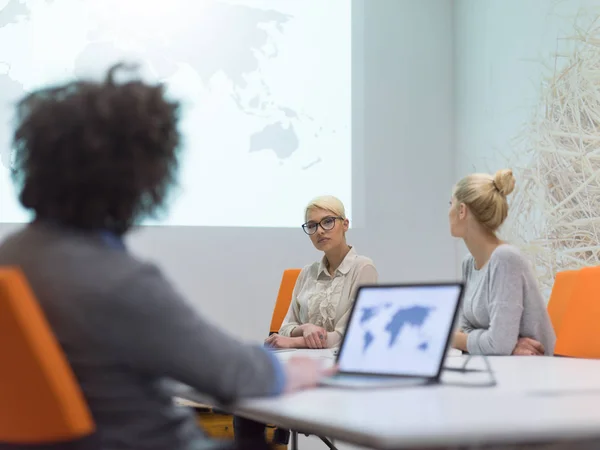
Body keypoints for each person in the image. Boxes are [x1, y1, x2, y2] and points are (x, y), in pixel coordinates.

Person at [0, 63, 333, 450]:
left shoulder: (12, 256)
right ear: (142, 175)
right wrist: (301, 371)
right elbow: (232, 372)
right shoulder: (116, 281)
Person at [235, 195, 377, 445]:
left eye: (328, 222)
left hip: (338, 369)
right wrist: (305, 328)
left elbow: (347, 335)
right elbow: (286, 327)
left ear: (345, 224)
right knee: (247, 392)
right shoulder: (306, 274)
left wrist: (294, 342)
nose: (319, 231)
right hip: (302, 365)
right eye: (312, 226)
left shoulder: (363, 268)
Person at [448, 168, 556, 356]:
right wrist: (505, 343)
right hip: (508, 365)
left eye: (451, 204)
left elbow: (495, 344)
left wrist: (452, 338)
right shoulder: (469, 264)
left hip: (539, 369)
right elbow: (469, 331)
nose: (448, 212)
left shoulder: (505, 259)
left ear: (462, 211)